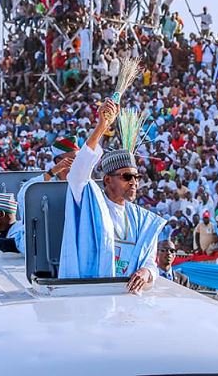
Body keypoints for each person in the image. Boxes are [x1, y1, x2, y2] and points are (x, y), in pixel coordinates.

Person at [60, 100, 165, 293]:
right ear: (107, 180)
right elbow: (78, 172)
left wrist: (145, 272)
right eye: (127, 177)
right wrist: (102, 126)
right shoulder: (89, 201)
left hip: (125, 300)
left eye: (136, 177)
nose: (134, 182)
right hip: (87, 296)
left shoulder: (142, 219)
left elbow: (151, 262)